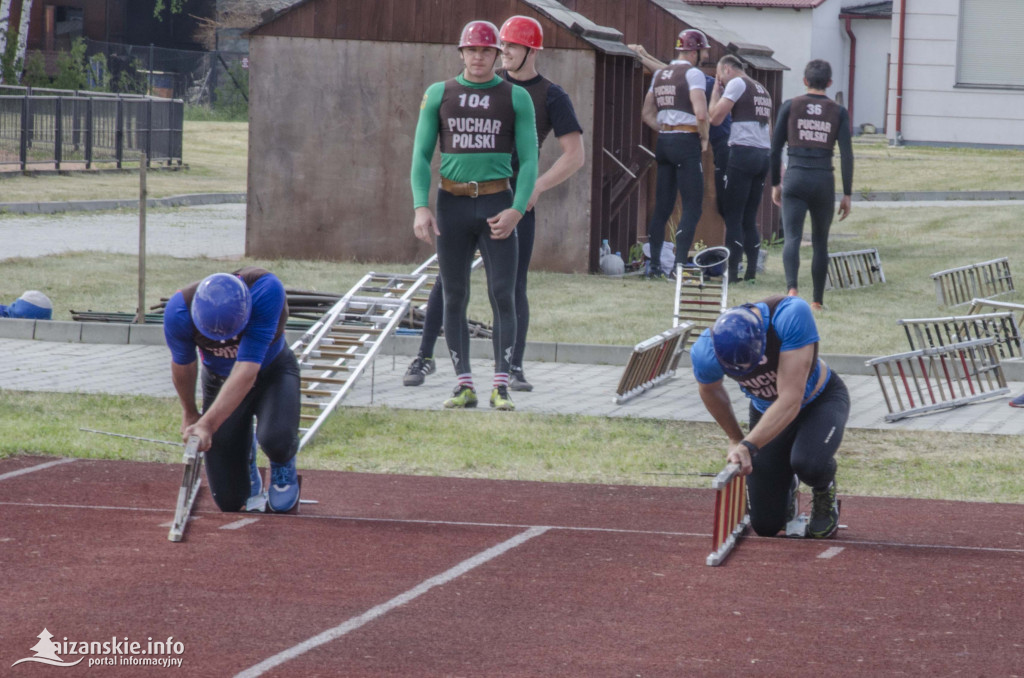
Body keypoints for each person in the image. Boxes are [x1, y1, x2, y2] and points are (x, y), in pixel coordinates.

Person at [405, 15, 584, 393]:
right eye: (489, 47)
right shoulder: (454, 90)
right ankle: (425, 355)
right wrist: (423, 203)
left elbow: (574, 155)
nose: (500, 54)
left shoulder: (548, 95)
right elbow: (423, 151)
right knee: (448, 284)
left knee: (509, 287)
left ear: (528, 51)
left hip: (512, 197)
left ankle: (511, 368)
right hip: (460, 198)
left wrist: (534, 190)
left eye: (509, 47)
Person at [410, 20, 538, 411]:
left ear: (497, 55)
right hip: (453, 203)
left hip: (498, 204)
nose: (478, 57)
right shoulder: (439, 93)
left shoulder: (515, 97)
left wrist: (517, 209)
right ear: (461, 53)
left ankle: (501, 383)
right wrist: (420, 206)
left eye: (486, 51)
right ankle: (463, 383)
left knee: (503, 294)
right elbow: (420, 155)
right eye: (472, 50)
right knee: (454, 295)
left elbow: (531, 159)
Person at [690, 294, 849, 539]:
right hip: (766, 411)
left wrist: (749, 445)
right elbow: (710, 389)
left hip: (819, 402)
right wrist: (735, 438)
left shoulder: (790, 315)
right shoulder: (704, 350)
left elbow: (790, 400)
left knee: (808, 462)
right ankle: (787, 483)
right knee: (765, 526)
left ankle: (822, 487)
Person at [163, 268, 301, 513]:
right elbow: (183, 365)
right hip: (219, 379)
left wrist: (208, 424)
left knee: (276, 439)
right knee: (229, 500)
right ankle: (244, 456)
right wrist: (190, 412)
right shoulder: (179, 311)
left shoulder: (266, 290)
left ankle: (282, 463)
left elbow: (246, 371)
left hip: (271, 373)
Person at [770, 59, 854, 311]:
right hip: (822, 180)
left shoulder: (790, 106)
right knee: (820, 241)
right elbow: (847, 154)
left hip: (795, 177)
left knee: (792, 237)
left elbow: (774, 150)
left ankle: (792, 289)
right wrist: (847, 193)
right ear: (829, 83)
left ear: (805, 81)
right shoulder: (838, 111)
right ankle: (817, 300)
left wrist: (776, 183)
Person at [627, 43, 732, 227]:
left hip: (722, 144)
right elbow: (672, 72)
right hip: (717, 142)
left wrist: (642, 58)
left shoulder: (708, 83)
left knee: (724, 202)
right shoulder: (700, 80)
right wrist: (646, 54)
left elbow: (671, 74)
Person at [639, 28, 710, 278]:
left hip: (664, 141)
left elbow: (647, 113)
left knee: (662, 207)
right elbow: (701, 112)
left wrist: (665, 127)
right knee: (692, 206)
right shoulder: (694, 74)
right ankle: (679, 266)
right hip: (686, 140)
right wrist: (704, 137)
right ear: (694, 51)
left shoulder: (660, 74)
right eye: (703, 51)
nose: (705, 55)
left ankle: (655, 266)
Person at [709, 54, 774, 283]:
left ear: (727, 69)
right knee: (749, 216)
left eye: (719, 77)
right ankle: (751, 272)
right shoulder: (761, 89)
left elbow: (715, 118)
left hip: (743, 153)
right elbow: (770, 129)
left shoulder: (737, 83)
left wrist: (716, 93)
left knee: (733, 216)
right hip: (763, 155)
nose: (721, 82)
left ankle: (733, 273)